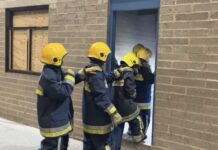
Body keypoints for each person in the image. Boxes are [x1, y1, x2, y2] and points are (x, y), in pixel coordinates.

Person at [80, 42, 123, 150]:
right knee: (104, 145)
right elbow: (101, 96)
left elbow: (103, 79)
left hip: (90, 120)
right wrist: (114, 113)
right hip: (99, 122)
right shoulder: (96, 75)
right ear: (102, 56)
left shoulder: (92, 71)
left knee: (89, 146)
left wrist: (115, 74)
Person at [36, 43, 75, 150]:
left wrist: (81, 74)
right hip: (53, 122)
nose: (63, 60)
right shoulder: (49, 77)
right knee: (51, 146)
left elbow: (68, 78)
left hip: (58, 118)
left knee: (59, 144)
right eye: (62, 57)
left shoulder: (54, 70)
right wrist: (71, 77)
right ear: (56, 59)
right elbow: (63, 92)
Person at [112, 53, 145, 150]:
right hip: (125, 105)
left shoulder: (117, 71)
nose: (137, 69)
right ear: (132, 64)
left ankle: (115, 147)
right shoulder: (129, 73)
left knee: (118, 126)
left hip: (116, 106)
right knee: (137, 115)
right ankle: (137, 137)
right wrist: (134, 94)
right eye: (136, 67)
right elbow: (130, 92)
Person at [133, 44, 155, 137]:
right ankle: (142, 136)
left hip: (134, 101)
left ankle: (133, 133)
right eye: (148, 58)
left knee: (135, 121)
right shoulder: (145, 70)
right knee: (145, 121)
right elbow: (151, 79)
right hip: (144, 102)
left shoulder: (135, 68)